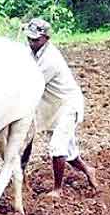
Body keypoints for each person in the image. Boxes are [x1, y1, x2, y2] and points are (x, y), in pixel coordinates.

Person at [24, 18, 97, 199]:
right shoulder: (31, 52)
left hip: (67, 105)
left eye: (35, 40)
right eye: (29, 39)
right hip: (53, 106)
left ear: (46, 38)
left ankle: (58, 189)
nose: (31, 42)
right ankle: (88, 170)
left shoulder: (51, 59)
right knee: (69, 152)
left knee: (57, 147)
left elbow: (32, 83)